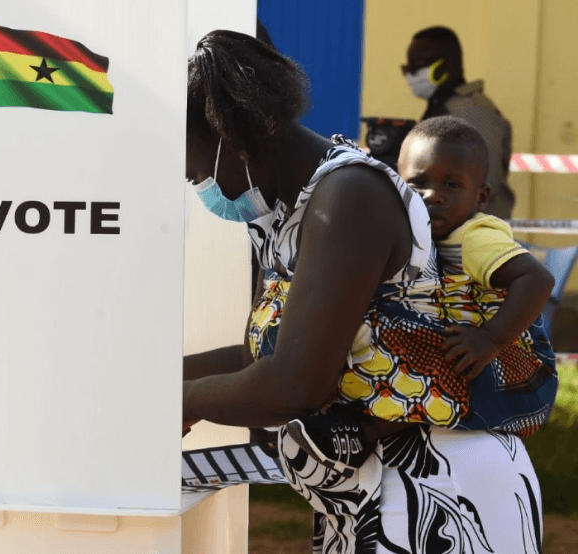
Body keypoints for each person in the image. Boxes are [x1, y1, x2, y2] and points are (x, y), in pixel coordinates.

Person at [183, 30, 556, 552]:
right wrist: (161, 381)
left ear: (234, 136)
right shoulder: (293, 210)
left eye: (196, 168)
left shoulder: (348, 200)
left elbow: (294, 385)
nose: (195, 182)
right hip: (376, 493)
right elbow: (274, 351)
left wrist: (176, 401)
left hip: (441, 494)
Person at [398, 115, 554, 379]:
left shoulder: (473, 236)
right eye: (419, 183)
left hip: (488, 376)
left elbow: (537, 278)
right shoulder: (411, 231)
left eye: (452, 184)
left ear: (480, 198)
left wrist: (491, 339)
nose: (432, 195)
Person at [401, 26, 514, 219]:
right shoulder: (444, 106)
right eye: (407, 68)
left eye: (417, 66)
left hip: (475, 232)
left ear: (446, 66)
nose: (410, 75)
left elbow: (486, 181)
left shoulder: (473, 113)